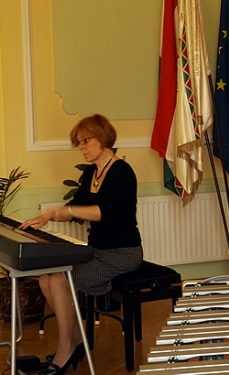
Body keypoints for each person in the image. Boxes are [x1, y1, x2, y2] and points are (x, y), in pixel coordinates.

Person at [20, 114, 143, 375]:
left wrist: (62, 212)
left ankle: (67, 347)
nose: (81, 147)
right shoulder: (90, 173)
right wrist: (46, 217)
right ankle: (75, 339)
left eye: (86, 140)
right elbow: (76, 205)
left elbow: (103, 212)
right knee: (46, 279)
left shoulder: (122, 172)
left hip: (122, 253)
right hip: (96, 250)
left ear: (103, 138)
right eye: (79, 142)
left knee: (60, 279)